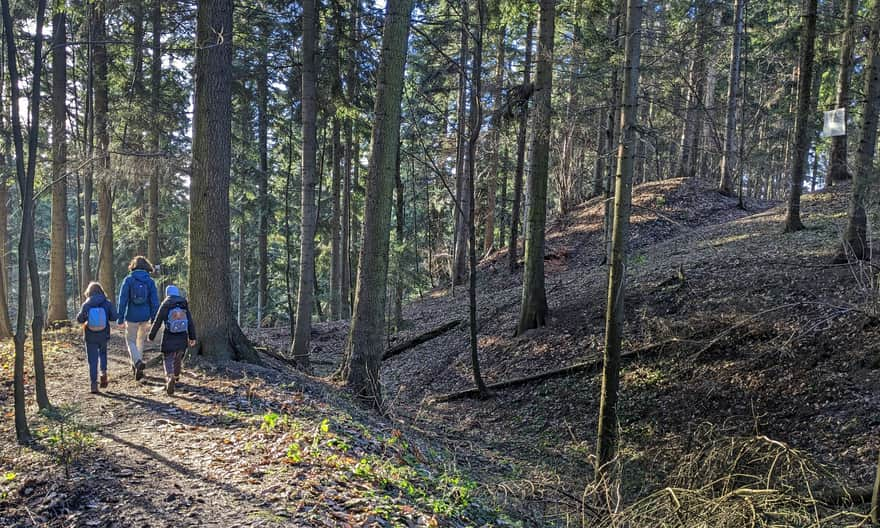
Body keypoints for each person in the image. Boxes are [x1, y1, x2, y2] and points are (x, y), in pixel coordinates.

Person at [117, 256, 160, 381]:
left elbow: (122, 300)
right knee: (140, 341)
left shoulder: (128, 280)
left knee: (130, 340)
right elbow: (154, 302)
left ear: (133, 266)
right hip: (145, 316)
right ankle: (137, 367)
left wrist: (120, 317)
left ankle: (136, 363)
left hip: (131, 316)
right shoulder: (150, 281)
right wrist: (154, 318)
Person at [148, 285, 197, 395]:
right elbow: (190, 322)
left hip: (169, 336)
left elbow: (158, 321)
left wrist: (151, 335)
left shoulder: (166, 304)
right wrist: (192, 337)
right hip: (182, 336)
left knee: (168, 357)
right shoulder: (183, 304)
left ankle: (169, 376)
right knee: (178, 357)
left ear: (167, 294)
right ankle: (176, 376)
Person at [76, 282, 118, 394]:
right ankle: (103, 373)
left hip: (90, 335)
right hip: (103, 334)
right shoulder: (107, 303)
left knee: (92, 360)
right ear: (101, 291)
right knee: (103, 354)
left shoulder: (87, 304)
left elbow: (80, 319)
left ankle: (94, 384)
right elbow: (114, 317)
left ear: (88, 292)